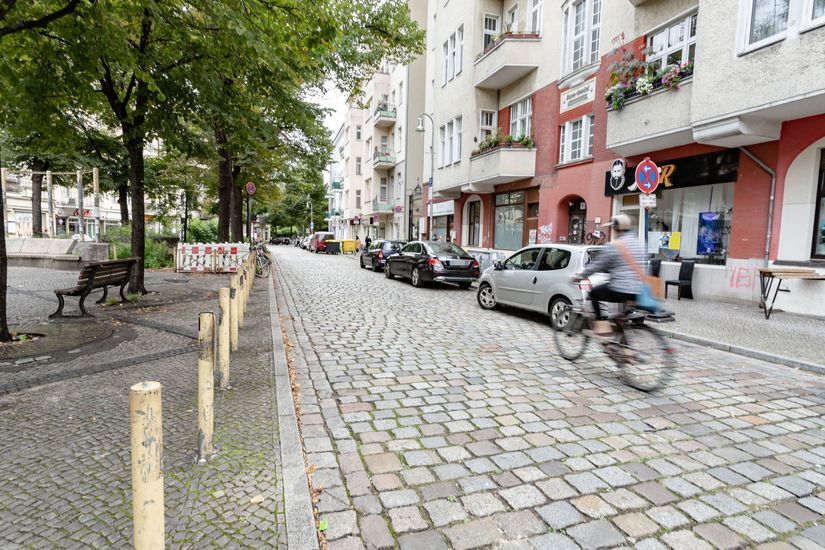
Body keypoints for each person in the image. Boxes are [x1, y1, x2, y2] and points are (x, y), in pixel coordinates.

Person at [574, 214, 645, 337]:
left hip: (621, 288)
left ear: (617, 229)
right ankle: (626, 350)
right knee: (621, 318)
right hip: (640, 290)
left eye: (613, 228)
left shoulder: (615, 245)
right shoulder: (640, 244)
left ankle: (602, 327)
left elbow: (597, 265)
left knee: (594, 293)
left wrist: (580, 276)